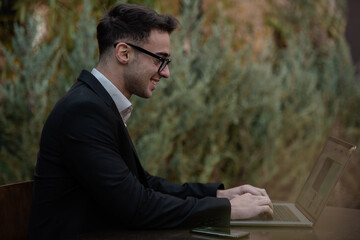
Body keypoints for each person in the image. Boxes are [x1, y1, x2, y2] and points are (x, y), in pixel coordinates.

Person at [28, 3, 273, 239]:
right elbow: (137, 207)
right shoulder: (83, 111)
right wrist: (231, 211)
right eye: (160, 59)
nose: (166, 72)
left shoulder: (95, 103)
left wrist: (220, 196)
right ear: (124, 53)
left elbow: (143, 185)